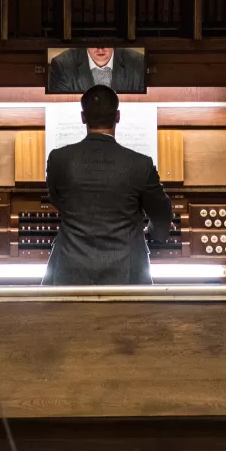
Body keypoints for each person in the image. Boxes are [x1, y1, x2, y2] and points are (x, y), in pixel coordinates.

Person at [43, 85, 173, 285]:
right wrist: (155, 232)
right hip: (126, 274)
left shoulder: (59, 158)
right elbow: (162, 212)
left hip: (70, 271)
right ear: (118, 116)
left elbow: (57, 199)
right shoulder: (140, 163)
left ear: (83, 117)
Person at [46, 45, 146, 94]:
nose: (100, 49)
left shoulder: (138, 63)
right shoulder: (62, 65)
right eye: (93, 42)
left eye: (106, 42)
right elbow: (62, 109)